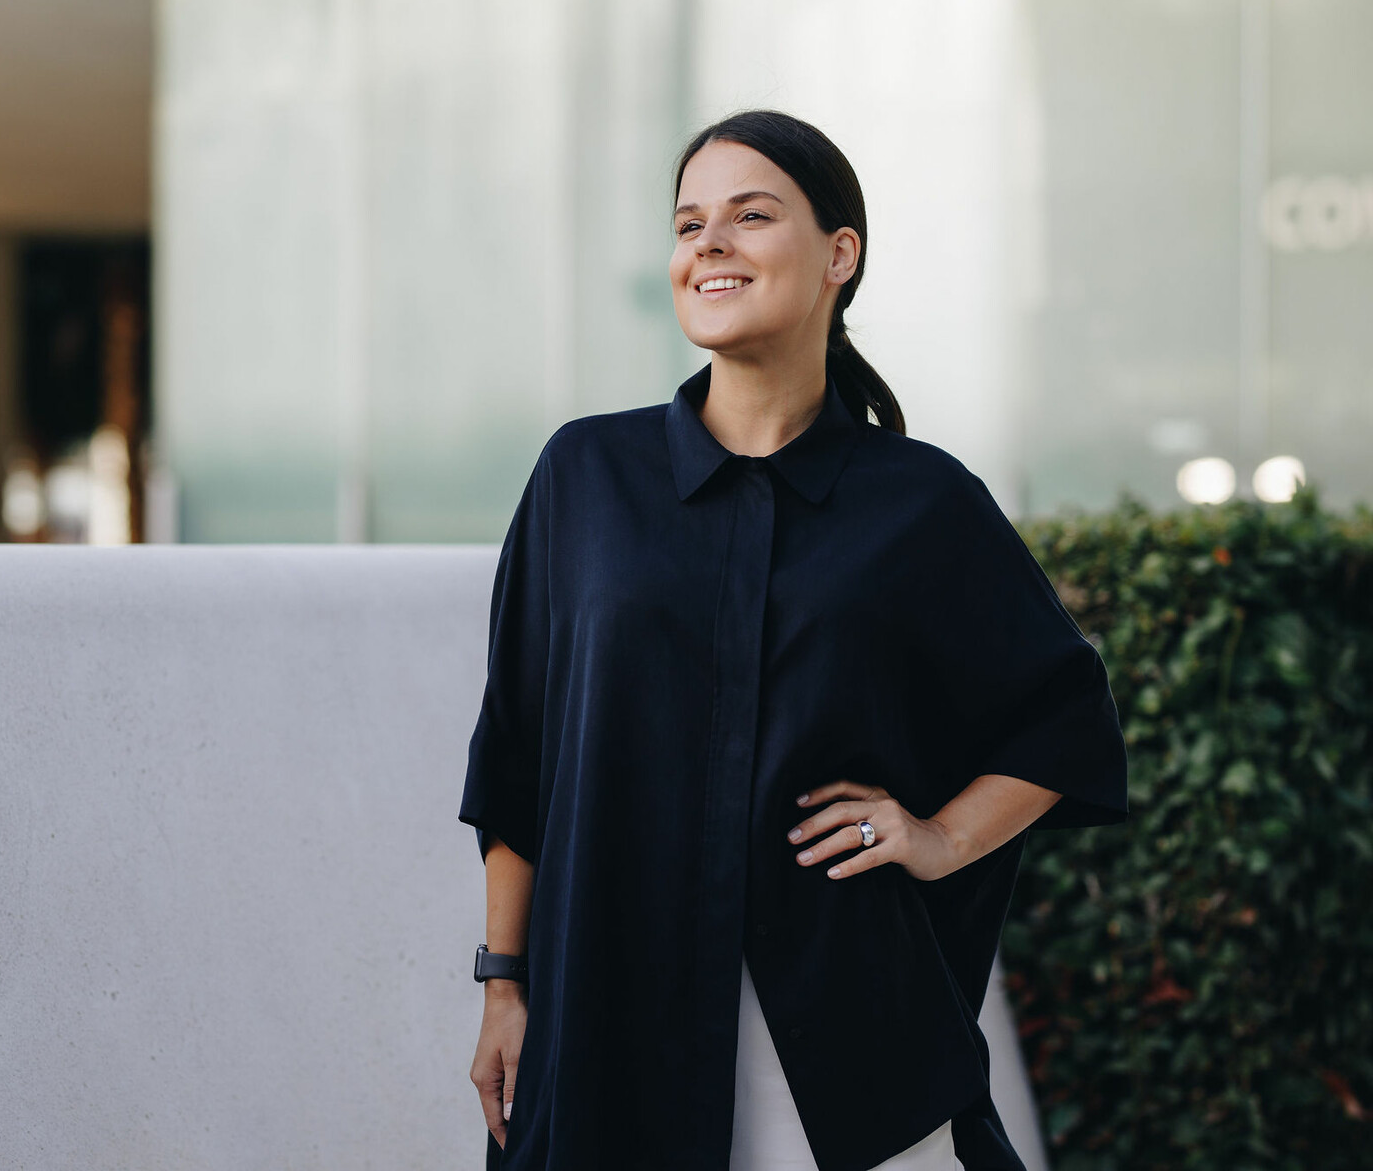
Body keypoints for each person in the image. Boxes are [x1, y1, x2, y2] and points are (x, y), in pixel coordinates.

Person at [459, 109, 1129, 1171]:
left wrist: (942, 837)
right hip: (606, 1027)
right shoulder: (584, 478)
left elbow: (1060, 716)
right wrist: (504, 985)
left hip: (838, 1050)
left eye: (750, 215)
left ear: (839, 255)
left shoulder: (924, 503)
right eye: (688, 225)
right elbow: (518, 753)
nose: (708, 245)